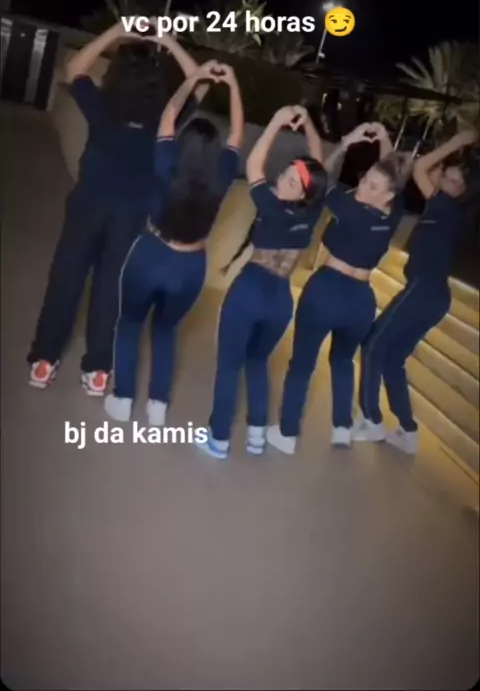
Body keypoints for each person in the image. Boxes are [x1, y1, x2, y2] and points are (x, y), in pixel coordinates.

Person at [28, 21, 208, 395]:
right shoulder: (165, 115)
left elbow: (74, 68)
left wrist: (118, 30)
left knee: (66, 278)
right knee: (112, 286)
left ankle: (44, 361)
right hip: (133, 211)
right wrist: (167, 41)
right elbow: (201, 83)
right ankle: (97, 370)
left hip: (89, 203)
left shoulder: (102, 106)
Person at [104, 61, 244, 425]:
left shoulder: (167, 162)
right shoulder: (222, 174)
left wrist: (196, 78)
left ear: (182, 145)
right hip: (191, 266)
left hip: (151, 254)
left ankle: (122, 399)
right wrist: (232, 85)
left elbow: (170, 112)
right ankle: (158, 406)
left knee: (130, 323)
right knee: (166, 330)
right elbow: (238, 133)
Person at [267, 122, 410, 453]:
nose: (362, 187)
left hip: (327, 289)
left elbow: (318, 176)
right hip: (361, 302)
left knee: (302, 363)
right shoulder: (393, 212)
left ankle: (287, 434)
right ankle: (342, 428)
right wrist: (385, 140)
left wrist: (346, 142)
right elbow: (394, 176)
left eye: (372, 186)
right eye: (364, 179)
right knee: (343, 361)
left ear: (387, 194)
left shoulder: (349, 208)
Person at [197, 106, 328, 459]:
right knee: (257, 363)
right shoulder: (312, 210)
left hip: (250, 292)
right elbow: (318, 166)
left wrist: (276, 121)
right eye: (285, 174)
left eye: (291, 181)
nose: (282, 180)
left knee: (229, 365)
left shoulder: (271, 205)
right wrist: (308, 122)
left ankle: (218, 439)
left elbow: (254, 163)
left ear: (302, 193)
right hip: (280, 302)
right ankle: (256, 435)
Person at [353, 128, 478, 455]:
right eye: (445, 177)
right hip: (433, 295)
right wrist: (451, 151)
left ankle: (371, 420)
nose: (444, 181)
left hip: (424, 288)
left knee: (372, 345)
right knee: (393, 359)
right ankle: (408, 431)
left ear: (461, 190)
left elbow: (421, 167)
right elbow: (430, 169)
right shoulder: (446, 209)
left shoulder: (444, 205)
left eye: (452, 180)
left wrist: (456, 142)